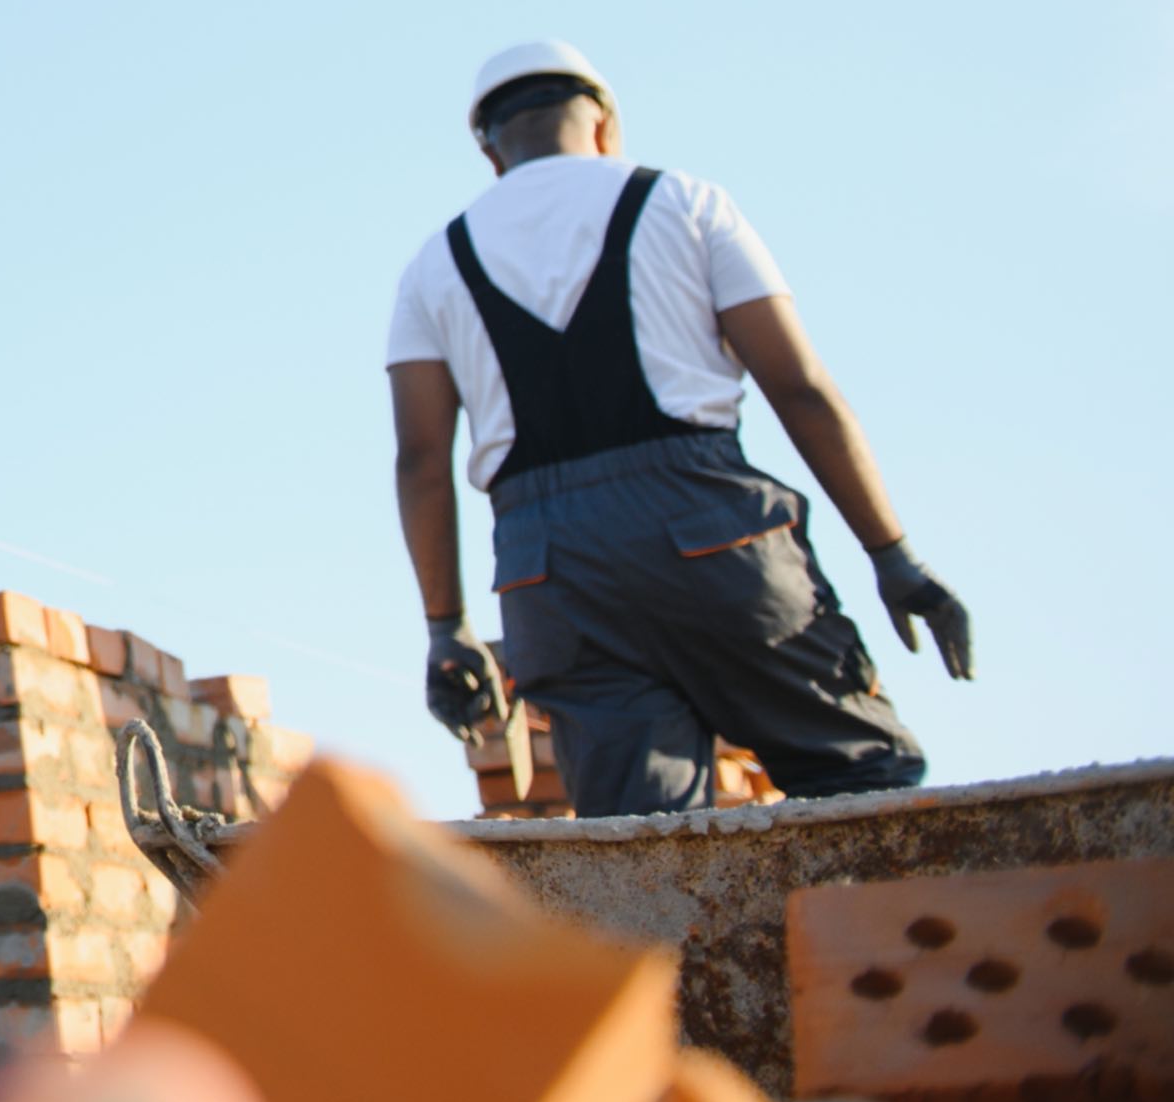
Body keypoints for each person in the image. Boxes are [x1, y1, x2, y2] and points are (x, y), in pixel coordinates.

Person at [385, 40, 971, 818]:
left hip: (550, 575)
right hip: (710, 535)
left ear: (490, 150)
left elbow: (422, 461)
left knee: (646, 845)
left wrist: (446, 628)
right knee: (862, 785)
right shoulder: (687, 205)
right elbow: (800, 389)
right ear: (603, 122)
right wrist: (892, 553)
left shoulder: (434, 264)